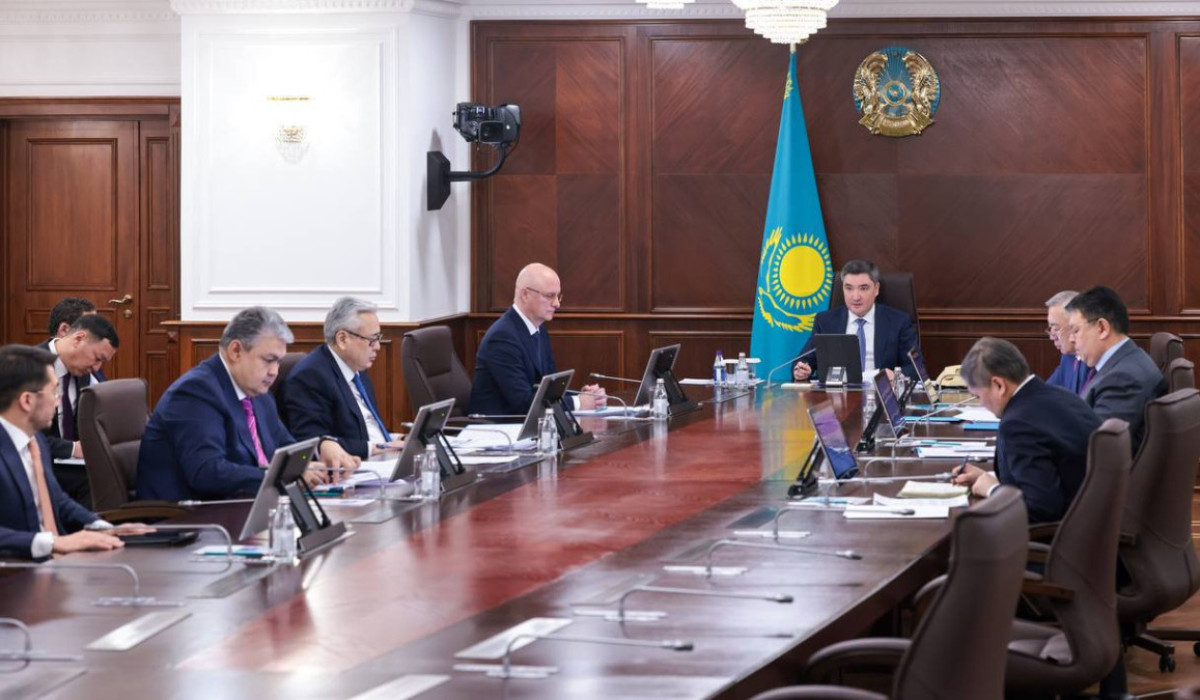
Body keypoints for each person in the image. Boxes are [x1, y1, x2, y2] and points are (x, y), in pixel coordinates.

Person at [137, 307, 360, 502]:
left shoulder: (258, 393)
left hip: (250, 507)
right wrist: (279, 475)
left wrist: (320, 453)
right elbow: (207, 472)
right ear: (236, 351)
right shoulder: (195, 393)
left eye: (278, 361)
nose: (274, 371)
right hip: (192, 519)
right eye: (268, 360)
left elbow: (286, 448)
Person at [0, 345, 133, 559]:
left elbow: (57, 500)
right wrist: (54, 543)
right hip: (16, 569)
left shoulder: (36, 441)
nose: (58, 401)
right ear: (27, 400)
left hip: (56, 562)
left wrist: (104, 528)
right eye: (54, 391)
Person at [951, 337, 1101, 523]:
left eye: (978, 396)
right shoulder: (1061, 396)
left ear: (999, 385)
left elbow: (1040, 509)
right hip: (1093, 521)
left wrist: (993, 490)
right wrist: (988, 478)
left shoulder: (1018, 424)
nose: (981, 404)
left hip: (1060, 533)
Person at [469, 263, 606, 416]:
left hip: (527, 423)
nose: (557, 304)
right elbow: (523, 404)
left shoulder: (539, 330)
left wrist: (587, 397)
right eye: (549, 296)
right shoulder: (502, 338)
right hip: (497, 426)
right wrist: (579, 402)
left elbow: (548, 391)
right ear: (525, 295)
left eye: (558, 296)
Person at [284, 297, 404, 460]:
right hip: (355, 468)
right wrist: (379, 448)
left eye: (378, 338)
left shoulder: (357, 369)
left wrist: (398, 439)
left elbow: (367, 430)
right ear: (342, 339)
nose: (377, 347)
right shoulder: (310, 377)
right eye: (372, 340)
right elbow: (315, 443)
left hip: (383, 461)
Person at [1066, 286, 1166, 451]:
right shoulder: (1126, 362)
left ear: (1102, 328)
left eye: (1075, 330)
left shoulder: (1124, 378)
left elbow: (1096, 445)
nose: (1071, 339)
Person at [792, 260, 922, 382]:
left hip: (880, 393)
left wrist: (895, 375)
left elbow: (916, 368)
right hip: (838, 394)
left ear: (876, 289)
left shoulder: (898, 322)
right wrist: (802, 370)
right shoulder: (825, 321)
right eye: (849, 288)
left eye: (863, 288)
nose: (855, 297)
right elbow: (804, 361)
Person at [39, 313, 119, 507]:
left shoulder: (83, 369)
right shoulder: (28, 366)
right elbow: (14, 434)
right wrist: (73, 449)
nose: (97, 368)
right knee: (94, 480)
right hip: (35, 461)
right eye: (97, 358)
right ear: (78, 339)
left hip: (68, 463)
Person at [1044, 290, 1090, 395]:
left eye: (1056, 328)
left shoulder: (1093, 360)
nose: (1052, 337)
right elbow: (1045, 393)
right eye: (1050, 329)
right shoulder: (1068, 357)